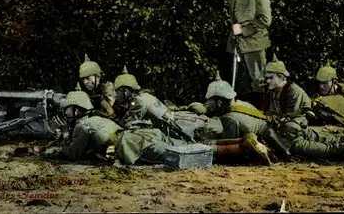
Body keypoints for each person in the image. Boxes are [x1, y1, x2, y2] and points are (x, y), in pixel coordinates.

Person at [112, 66, 272, 166]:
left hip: (183, 127)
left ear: (126, 90)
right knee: (203, 145)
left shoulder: (139, 102)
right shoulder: (145, 97)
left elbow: (128, 124)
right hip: (183, 124)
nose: (116, 95)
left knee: (193, 149)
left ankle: (242, 149)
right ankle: (243, 144)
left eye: (118, 91)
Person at [225, 0, 272, 110]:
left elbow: (265, 20)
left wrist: (244, 30)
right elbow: (232, 15)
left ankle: (262, 112)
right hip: (236, 41)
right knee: (236, 79)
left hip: (254, 42)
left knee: (259, 81)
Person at [77, 53, 117, 119]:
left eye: (88, 78)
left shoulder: (107, 86)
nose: (85, 82)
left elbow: (110, 106)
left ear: (97, 77)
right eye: (83, 79)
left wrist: (100, 101)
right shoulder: (82, 91)